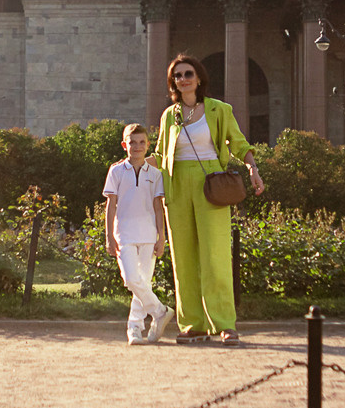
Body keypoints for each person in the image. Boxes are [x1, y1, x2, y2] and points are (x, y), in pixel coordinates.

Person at [154, 53, 263, 342]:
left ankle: (225, 323)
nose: (183, 79)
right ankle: (192, 325)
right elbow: (160, 153)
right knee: (184, 259)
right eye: (177, 76)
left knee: (215, 256)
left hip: (211, 183)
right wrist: (130, 163)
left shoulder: (218, 110)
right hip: (177, 185)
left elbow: (238, 142)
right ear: (173, 83)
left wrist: (252, 167)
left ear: (199, 78)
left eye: (188, 74)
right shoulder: (170, 115)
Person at [103, 123, 173, 346]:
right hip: (123, 234)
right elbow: (110, 206)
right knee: (131, 279)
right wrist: (108, 236)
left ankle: (135, 329)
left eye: (142, 142)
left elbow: (158, 207)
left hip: (148, 235)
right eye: (132, 142)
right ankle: (160, 311)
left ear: (148, 145)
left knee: (143, 283)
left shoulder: (155, 174)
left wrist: (161, 236)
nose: (137, 146)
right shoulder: (115, 171)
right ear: (125, 144)